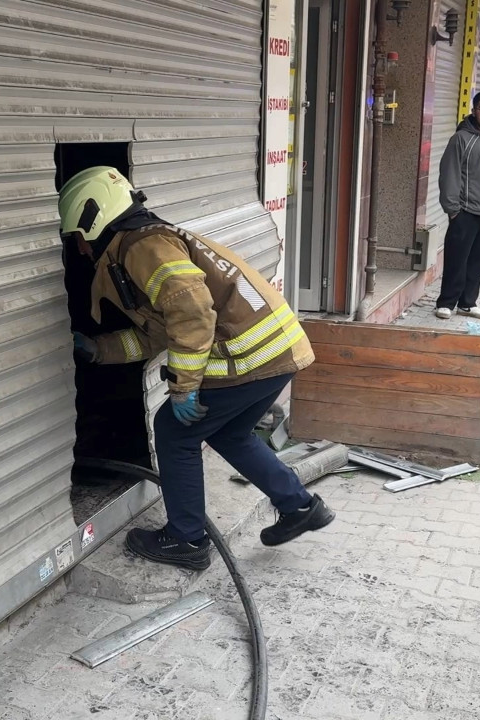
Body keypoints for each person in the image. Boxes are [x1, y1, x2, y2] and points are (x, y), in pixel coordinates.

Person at [59, 166, 335, 571]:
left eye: (78, 239)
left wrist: (183, 388)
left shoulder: (141, 248)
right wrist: (100, 349)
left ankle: (186, 540)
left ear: (93, 219)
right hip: (279, 351)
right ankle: (300, 507)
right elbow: (162, 333)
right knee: (231, 434)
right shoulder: (146, 243)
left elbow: (192, 313)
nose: (80, 249)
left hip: (250, 358)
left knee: (174, 432)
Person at [435, 90, 480, 320]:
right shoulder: (461, 139)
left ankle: (467, 303)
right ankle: (446, 302)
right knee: (457, 259)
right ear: (474, 110)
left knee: (479, 260)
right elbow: (449, 174)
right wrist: (453, 210)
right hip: (465, 212)